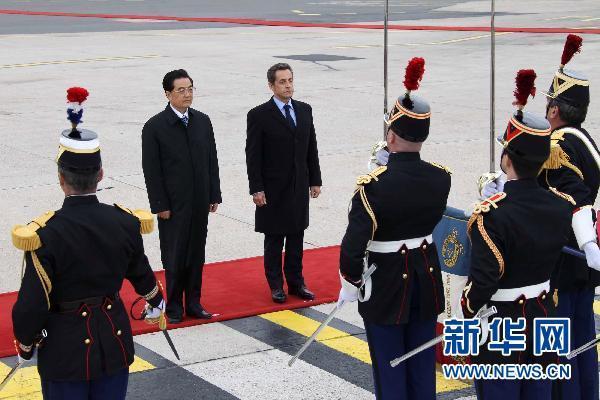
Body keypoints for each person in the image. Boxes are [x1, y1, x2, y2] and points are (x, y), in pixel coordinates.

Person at [11, 87, 164, 400]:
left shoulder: (45, 234)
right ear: (101, 174)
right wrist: (155, 300)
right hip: (113, 342)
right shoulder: (124, 221)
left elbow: (31, 304)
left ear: (60, 178)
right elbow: (141, 273)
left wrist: (26, 345)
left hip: (65, 352)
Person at [338, 57, 451, 400]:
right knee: (420, 368)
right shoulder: (440, 177)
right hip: (426, 280)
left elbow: (352, 250)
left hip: (385, 285)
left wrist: (352, 280)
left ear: (390, 134)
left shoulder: (372, 185)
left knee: (390, 372)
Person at [462, 70, 574, 399]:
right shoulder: (562, 205)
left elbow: (482, 283)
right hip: (543, 318)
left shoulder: (491, 215)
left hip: (501, 325)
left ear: (506, 159)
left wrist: (467, 316)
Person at [538, 35, 600, 400]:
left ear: (555, 110)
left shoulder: (557, 145)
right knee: (582, 341)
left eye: (549, 103)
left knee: (562, 347)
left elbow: (566, 201)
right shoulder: (584, 139)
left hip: (562, 258)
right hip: (582, 257)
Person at [142, 69, 222, 323]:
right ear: (168, 94)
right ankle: (174, 305)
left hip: (199, 200)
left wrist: (214, 193)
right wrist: (159, 204)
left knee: (196, 252)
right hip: (173, 205)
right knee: (175, 254)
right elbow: (151, 170)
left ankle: (194, 302)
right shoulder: (155, 126)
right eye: (181, 90)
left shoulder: (202, 121)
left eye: (190, 89)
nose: (187, 94)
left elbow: (212, 160)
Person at [245, 63, 322, 303]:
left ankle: (297, 283)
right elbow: (253, 155)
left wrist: (315, 180)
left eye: (290, 80)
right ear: (271, 85)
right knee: (275, 239)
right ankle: (276, 285)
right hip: (272, 189)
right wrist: (256, 188)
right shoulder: (258, 115)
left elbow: (311, 148)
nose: (288, 85)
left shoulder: (304, 110)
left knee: (297, 236)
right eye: (282, 81)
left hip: (299, 185)